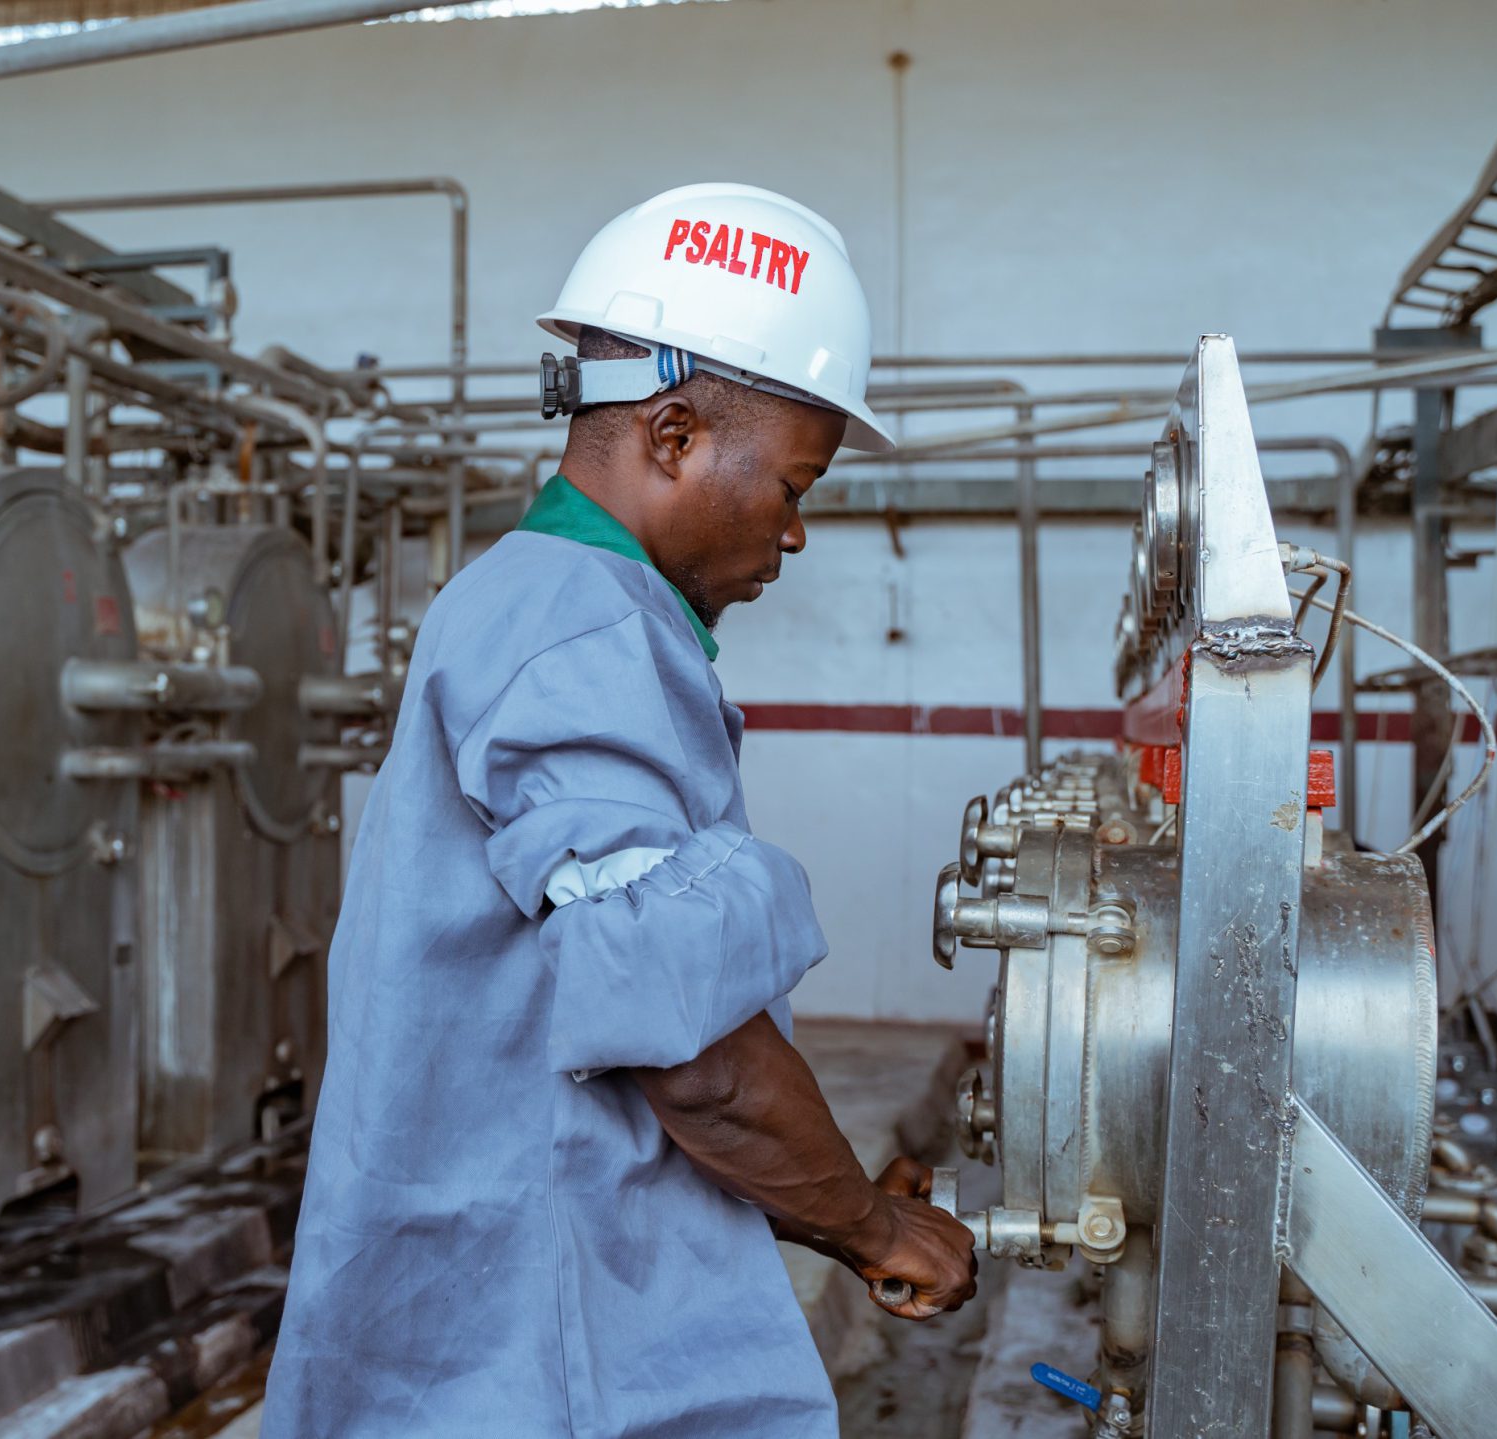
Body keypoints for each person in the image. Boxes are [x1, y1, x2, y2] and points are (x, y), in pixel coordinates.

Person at [267, 182, 978, 1438]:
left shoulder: (568, 615)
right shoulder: (575, 631)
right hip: (530, 1354)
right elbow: (690, 1051)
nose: (796, 532)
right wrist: (869, 1225)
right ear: (670, 435)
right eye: (794, 485)